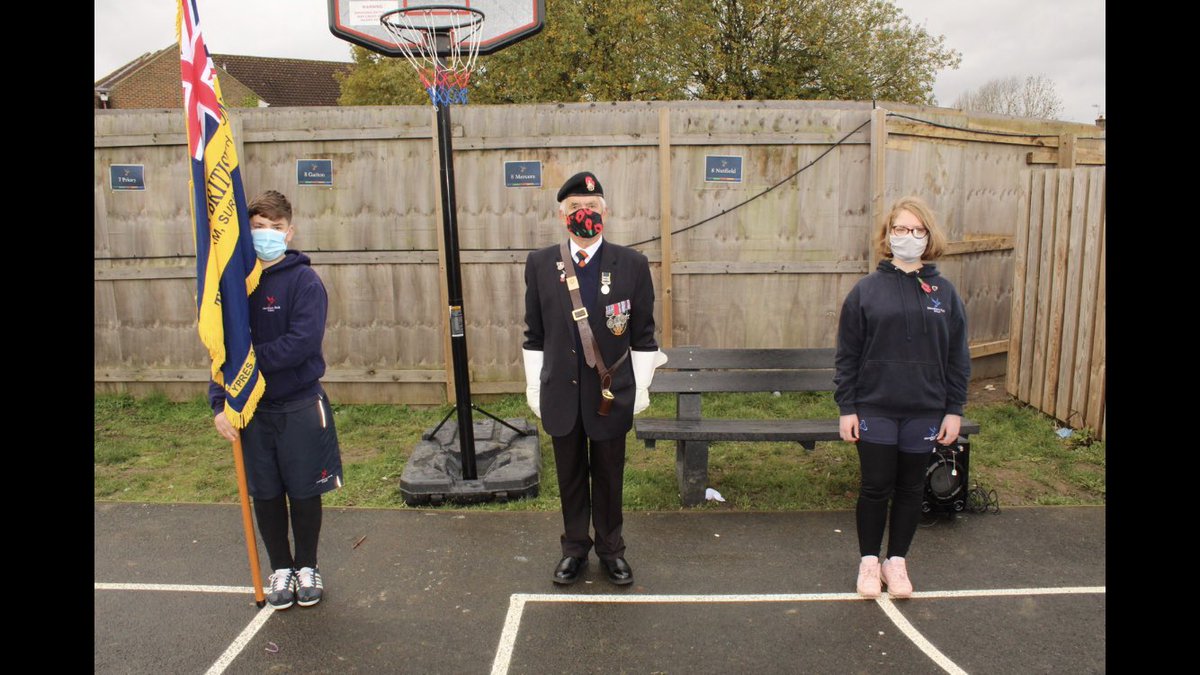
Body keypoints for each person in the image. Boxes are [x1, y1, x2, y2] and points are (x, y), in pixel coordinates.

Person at [522, 171, 666, 586]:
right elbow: (534, 334)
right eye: (574, 209)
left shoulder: (632, 265)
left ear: (606, 211)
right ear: (561, 215)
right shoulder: (540, 263)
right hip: (560, 393)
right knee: (568, 475)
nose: (583, 215)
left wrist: (639, 389)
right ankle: (574, 549)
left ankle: (611, 549)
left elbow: (643, 335)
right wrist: (535, 386)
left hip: (610, 392)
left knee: (608, 473)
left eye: (591, 208)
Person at [210, 190, 344, 610]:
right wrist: (219, 401)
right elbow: (220, 350)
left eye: (274, 228)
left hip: (300, 405)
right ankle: (281, 568)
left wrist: (245, 365)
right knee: (265, 492)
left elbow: (300, 344)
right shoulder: (234, 286)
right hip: (252, 411)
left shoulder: (305, 281)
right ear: (245, 233)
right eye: (257, 228)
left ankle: (307, 566)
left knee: (304, 491)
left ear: (290, 232)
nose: (266, 235)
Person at [833, 196, 970, 599]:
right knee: (875, 486)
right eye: (900, 229)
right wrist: (847, 408)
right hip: (875, 406)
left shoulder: (944, 293)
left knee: (912, 488)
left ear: (928, 237)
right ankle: (869, 563)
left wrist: (954, 410)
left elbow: (957, 356)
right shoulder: (866, 291)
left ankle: (897, 562)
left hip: (925, 409)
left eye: (916, 230)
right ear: (887, 235)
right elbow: (848, 355)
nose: (907, 237)